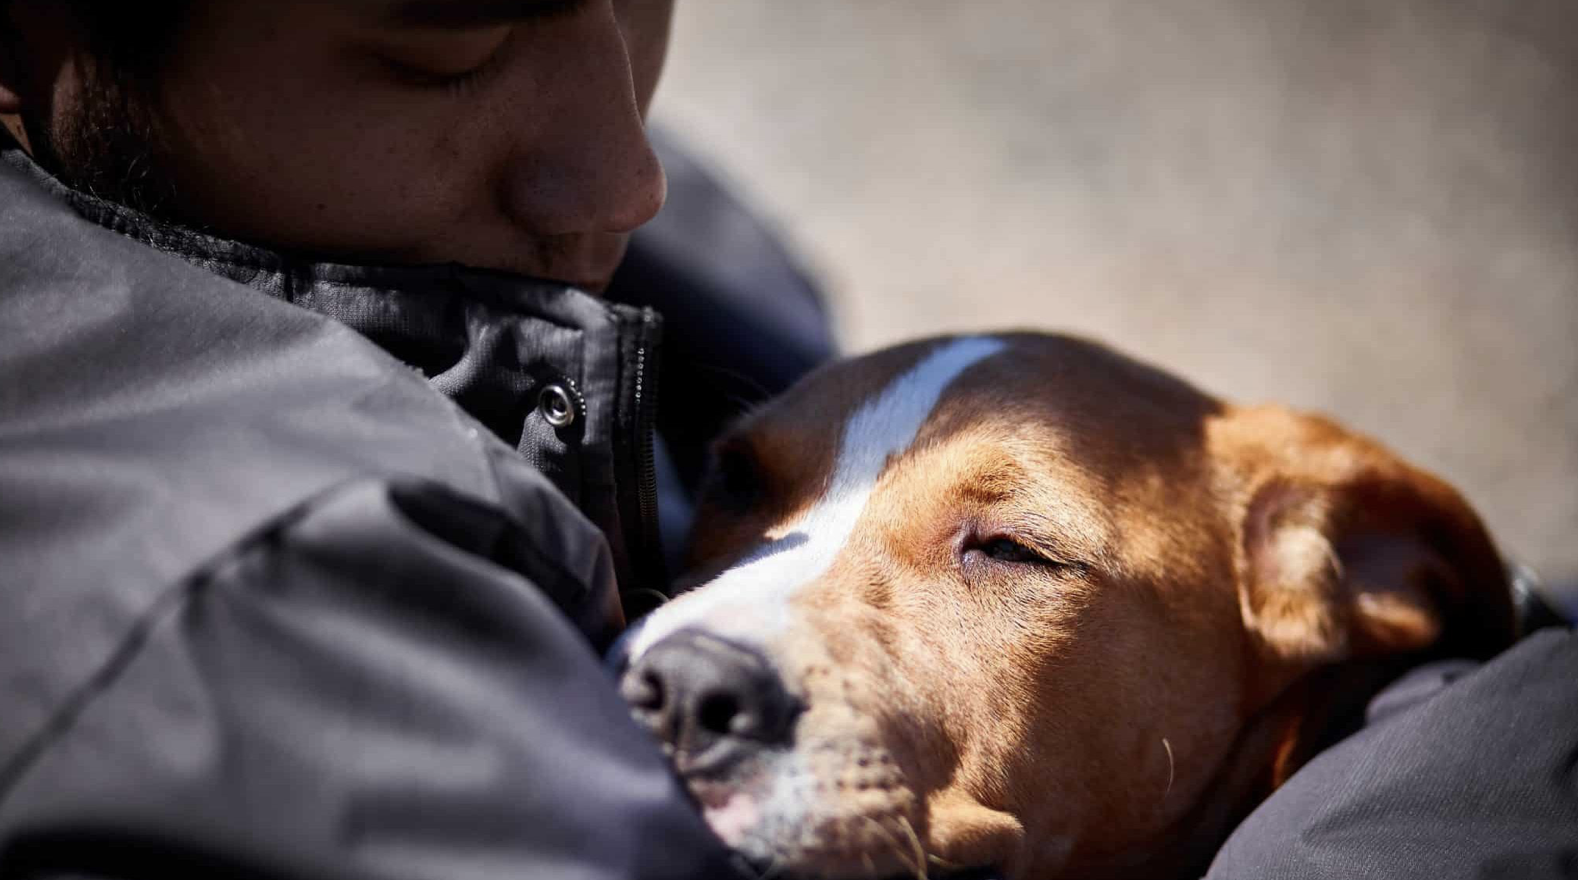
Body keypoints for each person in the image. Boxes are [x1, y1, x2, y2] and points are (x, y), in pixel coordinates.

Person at [0, 1, 830, 877]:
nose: (635, 181)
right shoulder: (271, 607)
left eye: (638, 8)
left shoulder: (701, 271)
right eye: (452, 58)